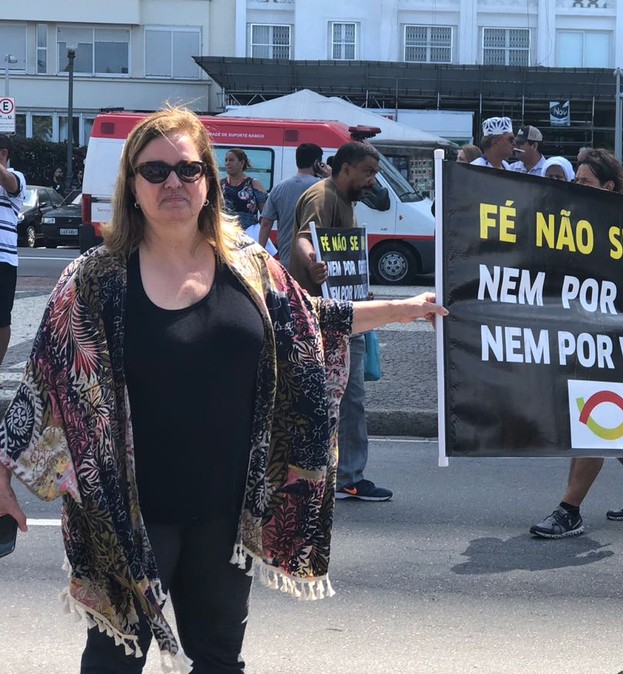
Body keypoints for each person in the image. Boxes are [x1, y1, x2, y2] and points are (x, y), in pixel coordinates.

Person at [0, 108, 446, 672]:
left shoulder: (250, 267)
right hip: (126, 514)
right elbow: (43, 380)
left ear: (209, 181)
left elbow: (314, 320)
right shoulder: (95, 278)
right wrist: (2, 472)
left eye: (188, 170)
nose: (173, 183)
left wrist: (406, 308)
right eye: (155, 171)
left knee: (217, 660)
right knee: (112, 663)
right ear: (131, 185)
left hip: (225, 512)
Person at [530, 148, 623, 539]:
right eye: (575, 180)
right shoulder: (573, 224)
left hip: (614, 340)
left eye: (584, 181)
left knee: (596, 422)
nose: (575, 187)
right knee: (609, 424)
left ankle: (570, 510)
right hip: (582, 338)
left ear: (608, 187)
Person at [291, 142, 392, 502]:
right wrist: (312, 263)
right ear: (346, 168)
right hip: (326, 317)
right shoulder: (324, 196)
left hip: (342, 312)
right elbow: (305, 238)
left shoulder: (344, 199)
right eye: (368, 172)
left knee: (340, 400)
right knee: (347, 400)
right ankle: (346, 477)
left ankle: (334, 474)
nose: (373, 180)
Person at [257, 142, 321, 270]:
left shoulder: (279, 188)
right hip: (317, 258)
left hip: (288, 258)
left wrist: (260, 255)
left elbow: (265, 223)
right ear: (317, 163)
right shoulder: (322, 187)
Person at [0, 135, 25, 367]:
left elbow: (7, 180)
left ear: (3, 153)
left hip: (3, 261)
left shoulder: (16, 177)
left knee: (0, 319)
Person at [220, 148, 268, 230]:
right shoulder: (220, 184)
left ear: (242, 163)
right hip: (225, 235)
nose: (227, 163)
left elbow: (266, 214)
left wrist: (257, 231)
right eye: (226, 160)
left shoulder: (253, 184)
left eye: (231, 160)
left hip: (248, 235)